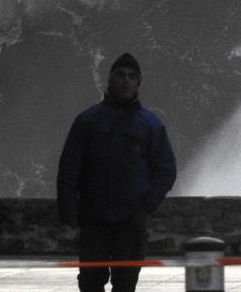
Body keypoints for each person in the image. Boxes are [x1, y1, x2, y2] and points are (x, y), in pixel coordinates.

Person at [57, 52, 177, 292]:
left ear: (138, 83)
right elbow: (69, 168)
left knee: (125, 285)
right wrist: (68, 210)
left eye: (132, 76)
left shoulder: (150, 125)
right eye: (120, 75)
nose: (126, 81)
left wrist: (146, 208)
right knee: (90, 284)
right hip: (94, 220)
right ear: (109, 80)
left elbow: (166, 170)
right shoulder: (87, 121)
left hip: (131, 222)